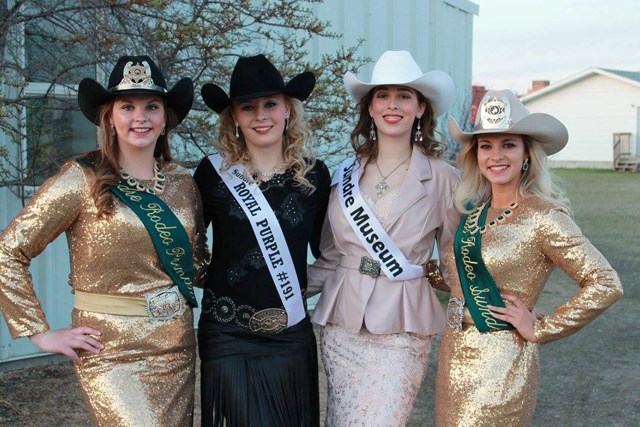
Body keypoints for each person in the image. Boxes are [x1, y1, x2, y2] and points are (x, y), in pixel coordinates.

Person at [0, 55, 209, 426]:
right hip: (111, 351)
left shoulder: (181, 183)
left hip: (176, 348)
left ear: (165, 119)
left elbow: (195, 266)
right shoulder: (82, 179)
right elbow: (9, 250)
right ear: (110, 118)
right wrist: (39, 333)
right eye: (127, 106)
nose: (139, 117)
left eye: (151, 106)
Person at [435, 89, 624, 426]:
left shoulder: (544, 215)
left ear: (526, 154)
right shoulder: (474, 212)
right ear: (475, 154)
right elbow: (461, 279)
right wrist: (418, 270)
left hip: (502, 363)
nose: (496, 155)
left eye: (508, 144)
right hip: (454, 355)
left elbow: (605, 283)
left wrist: (542, 328)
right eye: (486, 145)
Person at [307, 50, 459, 426]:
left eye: (404, 96)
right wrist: (275, 290)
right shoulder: (343, 175)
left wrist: (482, 305)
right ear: (370, 108)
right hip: (343, 325)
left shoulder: (444, 178)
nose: (393, 105)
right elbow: (330, 256)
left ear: (421, 109)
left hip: (403, 329)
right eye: (382, 95)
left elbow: (456, 258)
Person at [195, 54, 330, 427]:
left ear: (288, 109)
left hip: (290, 334)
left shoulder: (315, 175)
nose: (261, 116)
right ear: (234, 118)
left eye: (270, 104)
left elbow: (330, 252)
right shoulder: (213, 172)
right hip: (228, 332)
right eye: (248, 107)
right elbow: (187, 242)